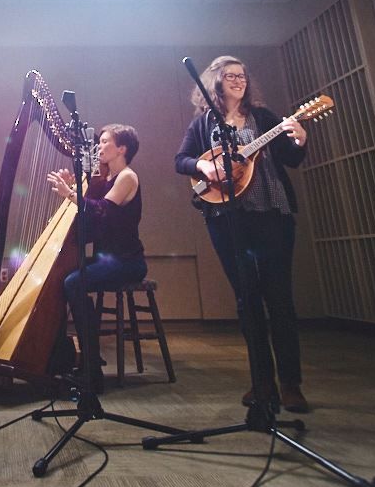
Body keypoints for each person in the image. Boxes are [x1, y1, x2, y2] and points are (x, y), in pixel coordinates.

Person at [174, 56, 310, 413]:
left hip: (272, 214)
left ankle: (291, 384)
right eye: (230, 75)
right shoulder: (203, 123)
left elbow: (292, 161)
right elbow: (182, 160)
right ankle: (261, 382)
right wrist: (204, 164)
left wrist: (299, 138)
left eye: (242, 75)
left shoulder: (265, 119)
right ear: (215, 82)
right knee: (247, 301)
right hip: (227, 219)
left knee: (279, 298)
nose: (238, 80)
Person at [47, 124, 147, 392]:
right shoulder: (105, 181)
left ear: (121, 149)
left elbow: (102, 212)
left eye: (104, 142)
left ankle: (92, 369)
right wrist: (74, 188)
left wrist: (71, 195)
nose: (99, 147)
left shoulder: (127, 177)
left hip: (127, 262)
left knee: (73, 283)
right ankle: (64, 356)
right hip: (106, 261)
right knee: (60, 279)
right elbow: (89, 224)